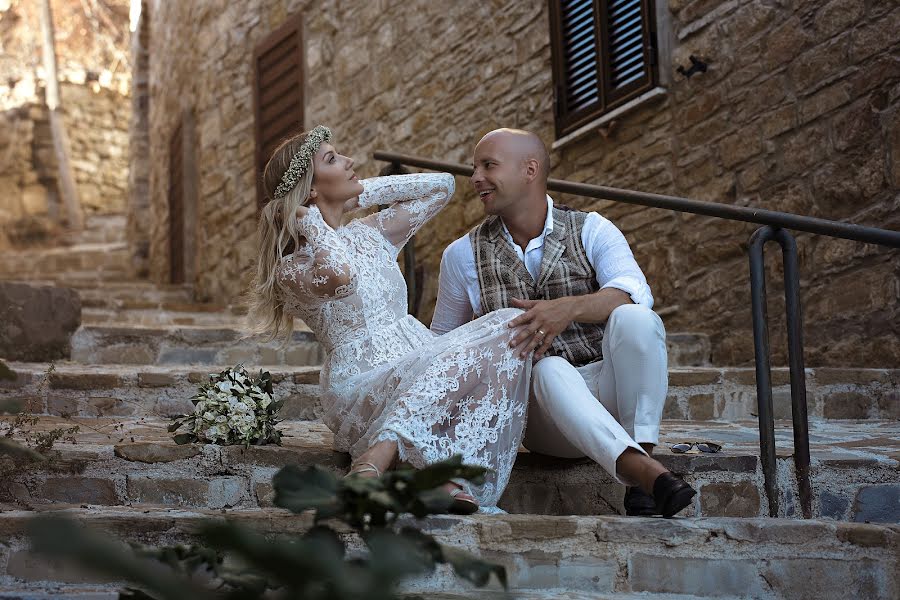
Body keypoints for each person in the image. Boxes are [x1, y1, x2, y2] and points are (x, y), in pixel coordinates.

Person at [247, 126, 532, 514]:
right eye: (332, 159)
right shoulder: (292, 270)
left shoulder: (370, 234)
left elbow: (441, 187)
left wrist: (358, 195)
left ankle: (395, 466)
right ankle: (396, 464)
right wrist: (309, 220)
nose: (349, 162)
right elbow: (342, 277)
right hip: (362, 386)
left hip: (418, 358)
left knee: (513, 323)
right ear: (310, 190)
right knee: (462, 353)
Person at [431, 128, 696, 517]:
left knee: (636, 318)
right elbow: (441, 347)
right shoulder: (461, 256)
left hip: (607, 394)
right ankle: (645, 473)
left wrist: (567, 309)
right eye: (474, 168)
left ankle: (643, 465)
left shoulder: (591, 228)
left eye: (488, 166)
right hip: (539, 414)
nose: (476, 179)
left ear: (530, 170)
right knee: (551, 369)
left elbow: (633, 291)